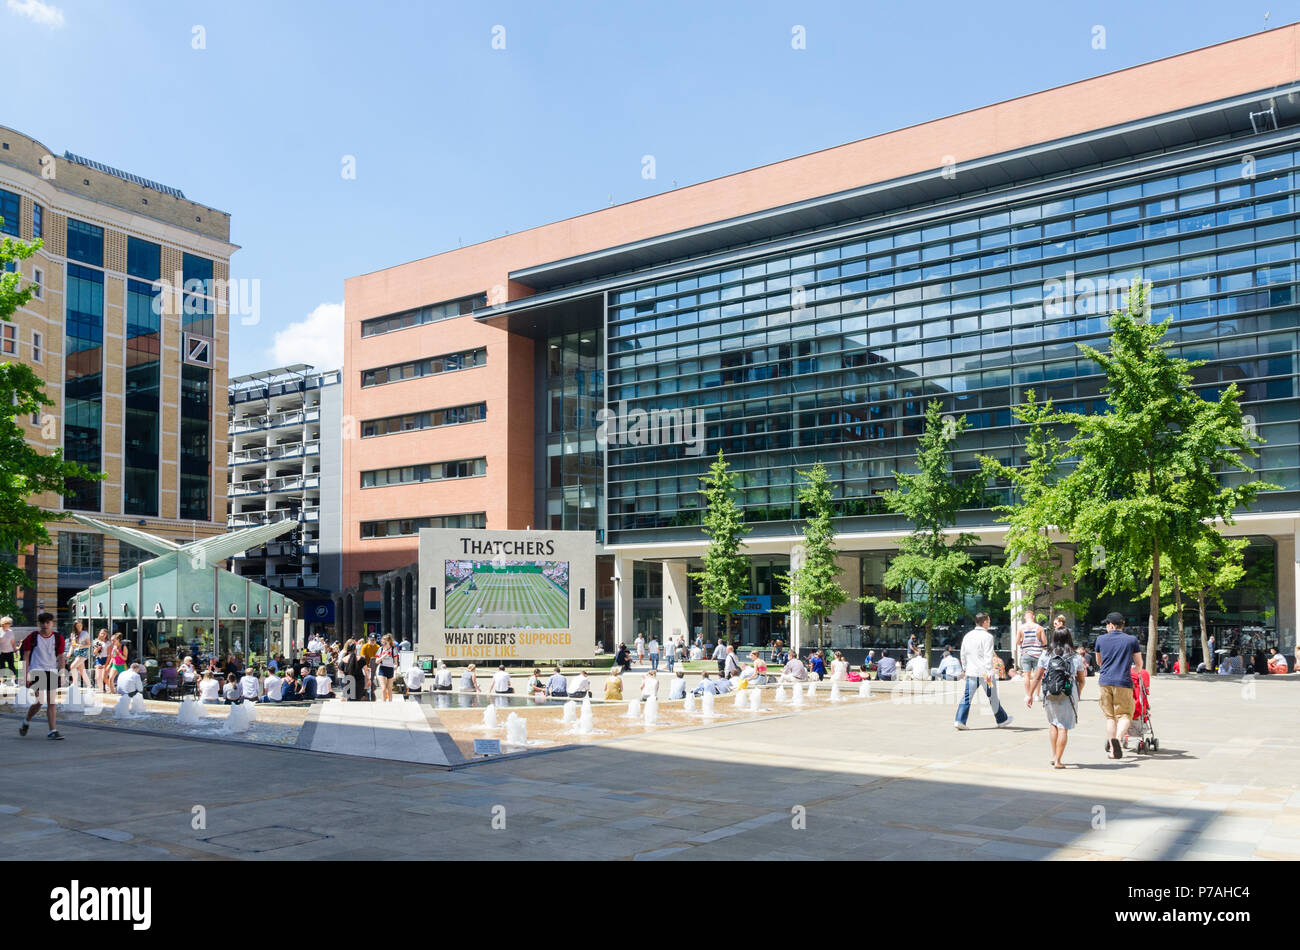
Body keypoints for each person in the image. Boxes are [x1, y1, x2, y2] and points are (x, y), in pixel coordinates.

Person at [1027, 629, 1086, 768]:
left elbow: (1036, 677)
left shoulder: (1046, 654)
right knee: (1063, 726)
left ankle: (1054, 756)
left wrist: (1029, 695)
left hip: (1049, 692)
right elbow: (1082, 680)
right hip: (1068, 693)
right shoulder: (1075, 656)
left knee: (1053, 723)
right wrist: (1078, 693)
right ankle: (1058, 761)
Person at [1094, 612, 1142, 759]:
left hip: (1105, 681)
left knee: (1110, 717)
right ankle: (1118, 740)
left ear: (1111, 625)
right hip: (1123, 681)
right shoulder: (1131, 640)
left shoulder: (1100, 639)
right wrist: (1133, 670)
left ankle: (1112, 749)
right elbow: (1139, 664)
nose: (1106, 627)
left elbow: (1098, 662)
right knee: (1125, 715)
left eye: (1107, 624)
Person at [954, 612, 1013, 730]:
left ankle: (960, 720)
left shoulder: (968, 636)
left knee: (967, 697)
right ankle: (1002, 719)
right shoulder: (988, 637)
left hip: (971, 672)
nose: (990, 623)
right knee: (993, 697)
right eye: (989, 621)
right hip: (985, 674)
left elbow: (963, 654)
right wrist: (990, 672)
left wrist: (965, 668)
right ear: (985, 622)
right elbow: (988, 656)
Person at [1014, 609, 1046, 708]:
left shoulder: (1021, 628)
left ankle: (1028, 695)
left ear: (1025, 617)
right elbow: (1044, 642)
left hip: (1025, 653)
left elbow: (1017, 642)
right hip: (1037, 654)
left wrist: (1024, 642)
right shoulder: (1040, 628)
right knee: (1038, 676)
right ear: (1033, 617)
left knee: (1026, 675)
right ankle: (1037, 695)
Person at [1124, 660, 1152, 749]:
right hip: (1138, 706)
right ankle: (1140, 737)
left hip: (1123, 705)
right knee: (1141, 713)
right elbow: (1146, 691)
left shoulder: (1123, 672)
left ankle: (1122, 735)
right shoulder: (1143, 673)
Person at [67, 622, 93, 690]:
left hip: (83, 653)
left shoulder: (85, 633)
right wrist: (69, 652)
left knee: (72, 666)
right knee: (82, 670)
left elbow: (89, 645)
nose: (79, 626)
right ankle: (89, 685)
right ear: (75, 626)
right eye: (78, 625)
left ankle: (74, 683)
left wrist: (80, 646)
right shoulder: (73, 634)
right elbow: (72, 645)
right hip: (77, 653)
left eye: (80, 625)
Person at [375, 634, 399, 702]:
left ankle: (390, 703)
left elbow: (396, 663)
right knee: (383, 688)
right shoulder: (381, 649)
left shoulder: (394, 649)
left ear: (389, 642)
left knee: (389, 689)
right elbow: (377, 661)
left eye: (385, 643)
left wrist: (395, 672)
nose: (383, 644)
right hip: (382, 668)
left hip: (390, 669)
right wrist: (384, 656)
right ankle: (384, 703)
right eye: (382, 642)